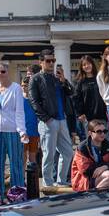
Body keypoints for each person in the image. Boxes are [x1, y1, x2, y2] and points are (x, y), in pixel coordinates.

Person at [29, 50, 74, 187]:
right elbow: (33, 101)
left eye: (53, 61)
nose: (51, 63)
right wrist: (46, 118)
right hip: (48, 121)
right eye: (48, 61)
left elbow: (71, 92)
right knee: (48, 154)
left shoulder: (57, 78)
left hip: (62, 120)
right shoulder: (36, 78)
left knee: (68, 152)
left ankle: (61, 181)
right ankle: (48, 184)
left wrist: (64, 80)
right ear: (41, 62)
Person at [0, 61, 29, 201]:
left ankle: (17, 194)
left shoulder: (16, 88)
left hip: (12, 130)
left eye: (2, 71)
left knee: (15, 163)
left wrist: (22, 130)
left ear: (7, 72)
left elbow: (19, 111)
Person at [71, 120, 109, 191]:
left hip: (103, 174)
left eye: (104, 131)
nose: (102, 134)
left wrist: (105, 167)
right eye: (99, 132)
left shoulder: (108, 145)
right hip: (84, 180)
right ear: (90, 133)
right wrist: (105, 167)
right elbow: (86, 170)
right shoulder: (82, 148)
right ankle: (94, 196)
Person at [73, 54, 108, 142]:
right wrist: (79, 114)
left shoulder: (100, 77)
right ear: (81, 67)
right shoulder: (80, 81)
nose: (87, 66)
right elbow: (76, 99)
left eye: (88, 64)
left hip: (102, 115)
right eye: (84, 65)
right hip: (88, 118)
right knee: (90, 141)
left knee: (104, 140)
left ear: (92, 64)